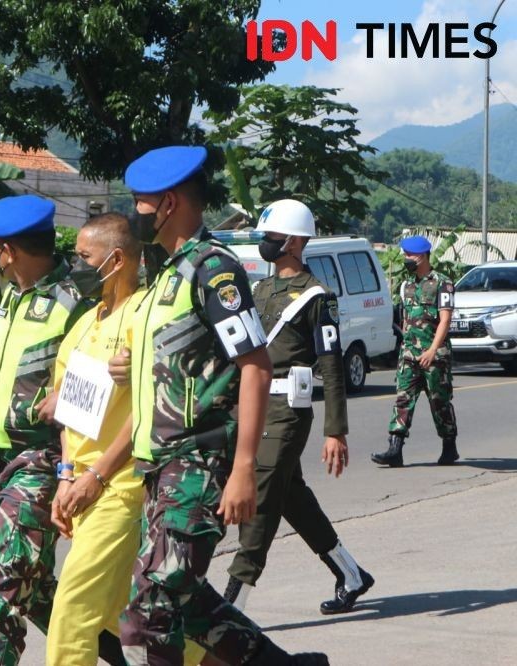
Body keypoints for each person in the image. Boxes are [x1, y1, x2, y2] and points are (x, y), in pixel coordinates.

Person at [113, 146, 327, 665]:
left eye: (140, 203)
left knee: (150, 612)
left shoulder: (214, 271)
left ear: (168, 204)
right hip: (160, 468)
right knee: (186, 600)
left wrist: (243, 470)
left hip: (197, 465)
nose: (133, 213)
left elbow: (255, 364)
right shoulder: (168, 274)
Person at [0, 195, 124, 666]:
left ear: (10, 250)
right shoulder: (13, 292)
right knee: (36, 593)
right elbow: (17, 346)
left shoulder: (76, 300)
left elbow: (109, 365)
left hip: (42, 461)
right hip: (2, 459)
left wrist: (71, 392)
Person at [222, 200, 373, 616]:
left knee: (263, 501)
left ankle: (231, 610)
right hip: (254, 406)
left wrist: (335, 429)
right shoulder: (261, 290)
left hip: (288, 410)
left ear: (295, 241)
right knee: (291, 497)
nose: (265, 245)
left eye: (271, 238)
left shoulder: (316, 296)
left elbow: (332, 364)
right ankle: (351, 574)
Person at [46, 213, 146, 666]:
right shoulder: (84, 324)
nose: (76, 266)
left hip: (120, 489)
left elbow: (146, 412)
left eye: (84, 257)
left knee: (71, 616)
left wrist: (97, 476)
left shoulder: (141, 317)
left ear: (117, 259)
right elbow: (70, 413)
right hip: (82, 489)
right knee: (126, 616)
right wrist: (66, 477)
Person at [372, 236, 458, 468]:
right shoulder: (406, 285)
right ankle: (395, 448)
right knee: (403, 399)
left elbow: (445, 320)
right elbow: (405, 319)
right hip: (409, 355)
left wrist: (432, 350)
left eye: (409, 255)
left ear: (421, 256)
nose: (406, 259)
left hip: (435, 356)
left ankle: (449, 446)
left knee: (439, 402)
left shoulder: (443, 283)